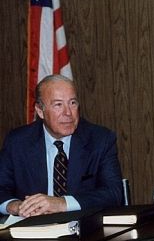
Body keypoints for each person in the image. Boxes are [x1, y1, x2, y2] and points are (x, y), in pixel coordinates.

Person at [0, 74, 123, 217]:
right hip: (33, 231)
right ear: (40, 111)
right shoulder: (18, 141)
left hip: (84, 231)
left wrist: (61, 203)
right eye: (58, 105)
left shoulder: (100, 139)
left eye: (72, 103)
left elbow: (113, 192)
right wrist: (15, 206)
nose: (68, 113)